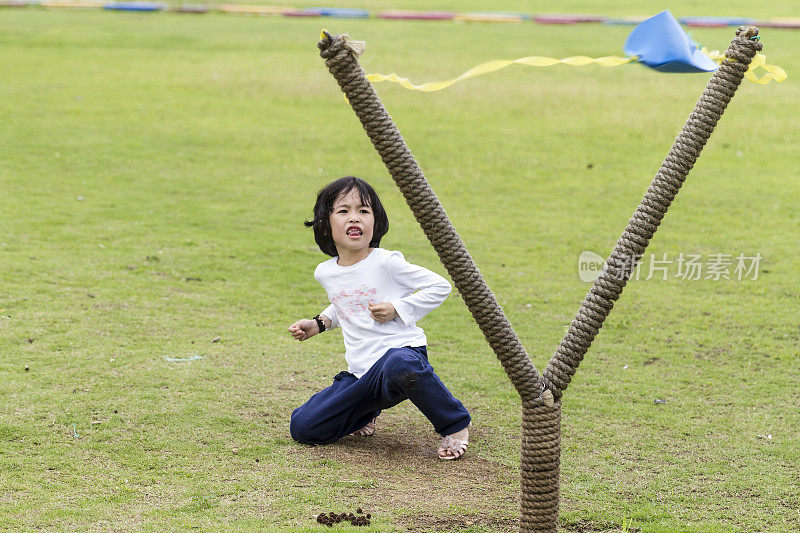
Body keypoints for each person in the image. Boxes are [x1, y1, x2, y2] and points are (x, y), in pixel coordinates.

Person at [288, 176, 471, 460]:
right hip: (361, 373)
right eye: (344, 211)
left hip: (403, 361)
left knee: (399, 362)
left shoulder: (387, 262)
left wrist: (397, 307)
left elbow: (440, 286)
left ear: (376, 222)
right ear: (325, 223)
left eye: (364, 211)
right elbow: (345, 301)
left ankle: (455, 423)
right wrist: (319, 323)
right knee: (303, 427)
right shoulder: (325, 272)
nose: (355, 218)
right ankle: (364, 414)